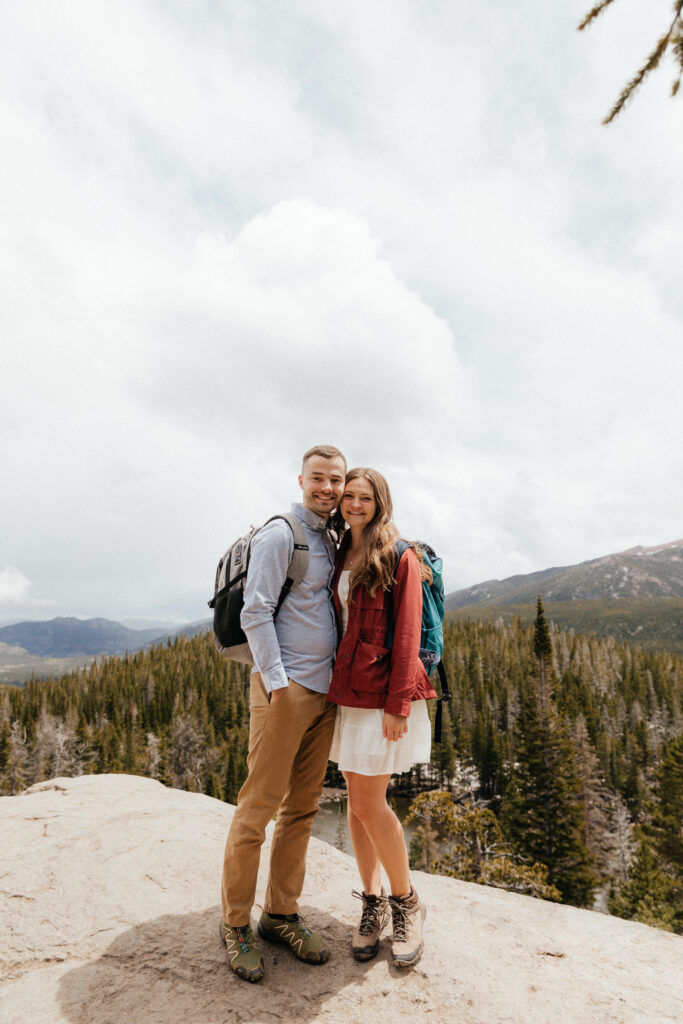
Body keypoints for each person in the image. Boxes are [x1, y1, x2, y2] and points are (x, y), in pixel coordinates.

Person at [220, 444, 346, 983]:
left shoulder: (332, 536)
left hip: (324, 694)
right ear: (300, 479)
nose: (328, 488)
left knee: (302, 809)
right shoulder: (282, 534)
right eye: (318, 478)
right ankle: (235, 924)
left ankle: (280, 914)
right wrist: (276, 685)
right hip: (286, 690)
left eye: (336, 480)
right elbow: (255, 610)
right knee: (258, 810)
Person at [327, 467, 437, 968]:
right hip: (350, 692)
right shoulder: (337, 551)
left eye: (363, 497)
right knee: (357, 800)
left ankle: (407, 904)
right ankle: (370, 903)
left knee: (370, 802)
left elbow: (409, 632)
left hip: (384, 696)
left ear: (380, 501)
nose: (353, 503)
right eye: (347, 496)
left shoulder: (399, 554)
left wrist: (398, 705)